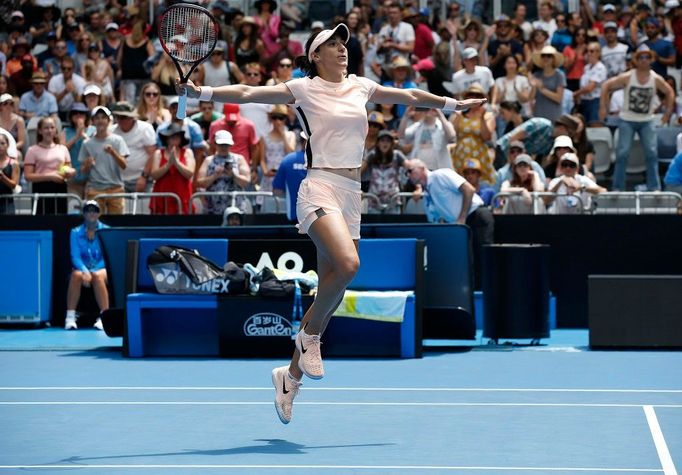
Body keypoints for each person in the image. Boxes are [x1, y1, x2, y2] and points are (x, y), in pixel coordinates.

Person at [177, 23, 486, 424]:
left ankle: (288, 377)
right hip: (319, 184)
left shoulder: (361, 86)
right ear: (315, 57)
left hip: (351, 193)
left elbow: (409, 95)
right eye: (332, 46)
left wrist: (451, 104)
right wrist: (202, 93)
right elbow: (250, 93)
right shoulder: (303, 88)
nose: (342, 50)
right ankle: (308, 337)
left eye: (344, 45)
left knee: (333, 287)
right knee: (349, 265)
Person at [406, 158, 493, 289]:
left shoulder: (441, 174)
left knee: (483, 260)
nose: (408, 175)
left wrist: (461, 218)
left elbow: (469, 189)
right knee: (469, 263)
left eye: (410, 171)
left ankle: (488, 298)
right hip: (462, 226)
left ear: (422, 168)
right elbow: (438, 218)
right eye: (406, 173)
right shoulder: (428, 192)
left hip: (477, 217)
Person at [600, 46, 675, 191]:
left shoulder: (655, 78)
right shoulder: (628, 76)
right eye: (641, 57)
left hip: (647, 120)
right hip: (627, 119)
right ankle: (618, 187)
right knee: (622, 154)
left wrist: (668, 113)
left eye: (647, 57)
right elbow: (606, 85)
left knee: (652, 153)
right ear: (636, 60)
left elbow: (670, 92)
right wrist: (603, 107)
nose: (644, 60)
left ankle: (653, 187)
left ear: (651, 60)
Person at [65, 200, 109, 330]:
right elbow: (75, 256)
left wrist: (92, 271)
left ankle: (104, 318)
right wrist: (85, 270)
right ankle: (70, 317)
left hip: (101, 268)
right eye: (88, 210)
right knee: (76, 275)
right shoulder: (75, 232)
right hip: (83, 269)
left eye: (94, 210)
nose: (91, 213)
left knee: (97, 276)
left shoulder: (106, 231)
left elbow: (107, 256)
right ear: (83, 214)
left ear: (99, 213)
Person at [79, 106, 130, 214]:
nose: (100, 120)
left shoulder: (118, 140)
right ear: (93, 121)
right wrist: (87, 164)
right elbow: (83, 170)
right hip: (95, 189)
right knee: (95, 222)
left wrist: (113, 153)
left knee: (117, 224)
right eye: (97, 118)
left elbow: (124, 165)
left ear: (108, 120)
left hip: (115, 188)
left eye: (103, 117)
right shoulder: (87, 144)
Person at [24, 117, 75, 214]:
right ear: (40, 131)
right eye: (46, 128)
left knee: (60, 222)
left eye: (52, 127)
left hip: (60, 190)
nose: (49, 131)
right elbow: (28, 176)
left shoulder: (62, 149)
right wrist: (50, 176)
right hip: (41, 191)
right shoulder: (32, 150)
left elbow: (69, 168)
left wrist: (70, 172)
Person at [195, 129, 251, 215]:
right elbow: (200, 182)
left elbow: (246, 182)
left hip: (235, 208)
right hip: (212, 208)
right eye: (221, 145)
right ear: (216, 144)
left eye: (226, 145)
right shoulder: (208, 160)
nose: (224, 147)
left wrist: (233, 175)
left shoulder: (239, 159)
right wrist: (214, 176)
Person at [111, 102, 157, 195]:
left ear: (132, 117)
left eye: (125, 117)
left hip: (141, 179)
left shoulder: (145, 128)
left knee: (143, 208)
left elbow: (152, 154)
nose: (121, 120)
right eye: (119, 117)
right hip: (118, 181)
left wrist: (144, 177)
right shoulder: (111, 131)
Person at [150, 123, 195, 215]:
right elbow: (154, 175)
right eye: (171, 136)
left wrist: (177, 163)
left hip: (182, 195)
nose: (174, 138)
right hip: (162, 196)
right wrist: (168, 164)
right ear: (166, 138)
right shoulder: (158, 153)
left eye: (177, 136)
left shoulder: (187, 152)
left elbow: (190, 173)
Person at [362, 129, 406, 213]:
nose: (385, 143)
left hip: (393, 201)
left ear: (392, 143)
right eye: (382, 140)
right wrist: (358, 189)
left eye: (388, 141)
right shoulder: (372, 155)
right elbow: (358, 173)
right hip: (374, 201)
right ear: (378, 143)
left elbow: (411, 168)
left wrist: (418, 188)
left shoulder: (397, 155)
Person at [273, 131, 308, 222]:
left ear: (301, 142)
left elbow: (277, 191)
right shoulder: (323, 162)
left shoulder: (288, 160)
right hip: (319, 221)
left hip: (293, 219)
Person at [530, 45, 566, 123]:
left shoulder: (559, 75)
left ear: (554, 59)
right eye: (543, 56)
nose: (546, 58)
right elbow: (531, 98)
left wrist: (542, 89)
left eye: (549, 56)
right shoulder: (536, 75)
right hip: (538, 116)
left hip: (554, 116)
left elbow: (559, 98)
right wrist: (533, 87)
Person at [0, 134, 20, 214]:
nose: (0, 146)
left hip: (7, 203)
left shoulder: (13, 163)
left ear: (7, 145)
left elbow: (14, 185)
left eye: (2, 143)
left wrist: (3, 177)